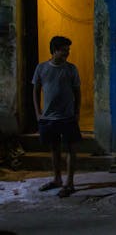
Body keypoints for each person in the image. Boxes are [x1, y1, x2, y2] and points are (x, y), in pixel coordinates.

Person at [32, 36, 81, 198]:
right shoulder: (41, 68)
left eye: (68, 50)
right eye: (64, 50)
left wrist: (77, 112)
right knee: (54, 149)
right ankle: (57, 179)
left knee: (71, 149)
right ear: (54, 51)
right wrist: (38, 113)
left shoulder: (71, 69)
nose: (67, 53)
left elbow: (77, 92)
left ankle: (70, 183)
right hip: (49, 118)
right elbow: (35, 90)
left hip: (67, 117)